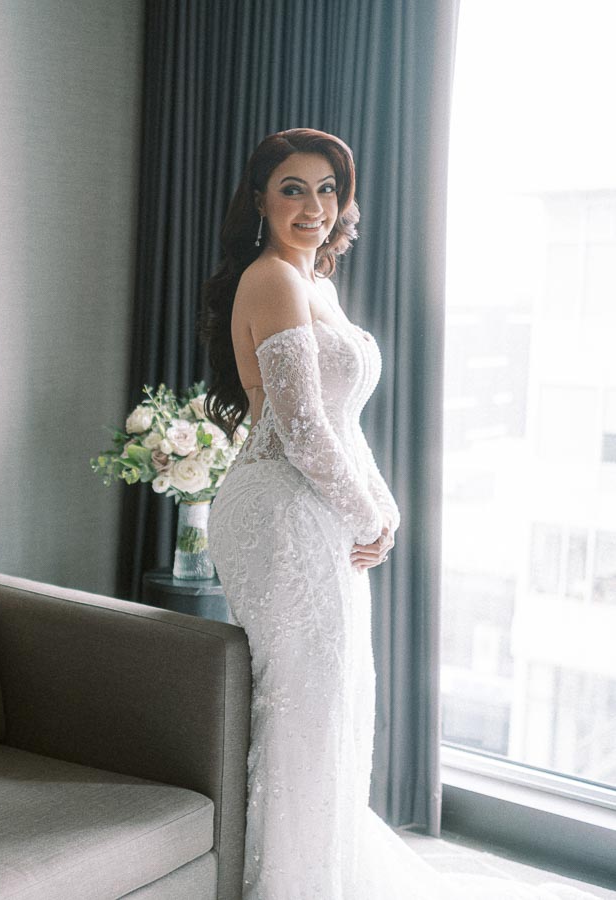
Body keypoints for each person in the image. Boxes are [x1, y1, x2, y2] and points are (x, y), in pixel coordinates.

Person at [199, 128, 599, 900]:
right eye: (292, 188)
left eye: (326, 189)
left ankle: (321, 868)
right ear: (259, 198)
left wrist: (382, 507)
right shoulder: (273, 279)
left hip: (320, 507)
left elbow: (341, 420)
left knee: (338, 692)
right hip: (281, 511)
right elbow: (304, 426)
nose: (313, 206)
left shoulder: (318, 283)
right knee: (303, 703)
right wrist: (368, 517)